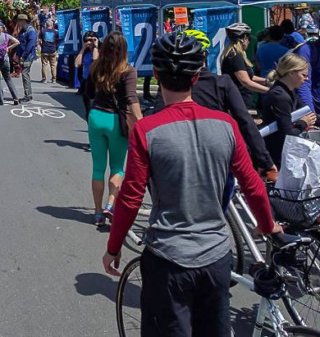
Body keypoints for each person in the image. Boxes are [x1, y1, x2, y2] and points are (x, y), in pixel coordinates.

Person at [102, 31, 281, 337]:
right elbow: (251, 184)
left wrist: (114, 247)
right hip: (215, 256)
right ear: (197, 77)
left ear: (156, 74)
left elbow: (131, 198)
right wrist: (267, 225)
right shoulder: (225, 125)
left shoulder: (147, 130)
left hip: (168, 258)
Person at [154, 30, 276, 176]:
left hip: (177, 156)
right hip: (216, 155)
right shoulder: (222, 83)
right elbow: (245, 122)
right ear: (205, 55)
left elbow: (156, 119)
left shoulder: (169, 86)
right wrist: (265, 161)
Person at [84, 31, 142, 226]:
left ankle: (98, 211)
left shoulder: (96, 67)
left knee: (98, 167)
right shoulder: (128, 71)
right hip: (116, 120)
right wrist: (141, 122)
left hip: (96, 117)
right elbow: (131, 99)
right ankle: (110, 204)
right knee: (117, 166)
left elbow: (89, 93)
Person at [262, 53, 315, 167]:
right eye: (304, 75)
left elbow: (309, 114)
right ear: (291, 73)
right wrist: (303, 123)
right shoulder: (279, 96)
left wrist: (310, 120)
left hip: (284, 151)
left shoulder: (289, 91)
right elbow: (287, 135)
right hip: (276, 156)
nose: (307, 79)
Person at [221, 23, 268, 109]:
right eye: (249, 38)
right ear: (243, 39)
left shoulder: (236, 54)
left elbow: (250, 77)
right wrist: (268, 91)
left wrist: (267, 81)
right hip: (239, 101)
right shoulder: (235, 57)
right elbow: (246, 82)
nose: (249, 41)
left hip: (241, 100)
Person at [0, 21, 21, 105]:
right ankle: (15, 97)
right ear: (3, 27)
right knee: (8, 79)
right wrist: (8, 48)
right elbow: (17, 42)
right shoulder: (6, 36)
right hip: (5, 60)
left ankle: (1, 100)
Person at [75, 31, 99, 116]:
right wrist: (83, 49)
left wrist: (95, 46)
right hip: (86, 82)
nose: (88, 42)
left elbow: (95, 60)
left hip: (96, 83)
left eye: (90, 40)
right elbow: (77, 64)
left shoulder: (100, 50)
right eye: (86, 40)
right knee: (88, 110)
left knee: (95, 109)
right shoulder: (85, 52)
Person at [16, 14, 37, 102]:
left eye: (19, 21)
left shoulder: (30, 30)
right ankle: (28, 94)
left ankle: (28, 95)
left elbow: (31, 44)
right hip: (23, 56)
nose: (18, 23)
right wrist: (17, 54)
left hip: (28, 56)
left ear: (23, 21)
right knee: (25, 74)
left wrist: (23, 56)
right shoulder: (22, 30)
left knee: (25, 74)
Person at [38, 18, 58, 83]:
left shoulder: (42, 31)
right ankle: (54, 79)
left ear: (46, 25)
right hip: (53, 50)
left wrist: (41, 46)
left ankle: (44, 79)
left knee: (44, 64)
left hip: (44, 50)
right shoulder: (55, 32)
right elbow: (57, 40)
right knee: (53, 65)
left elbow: (39, 41)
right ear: (52, 25)